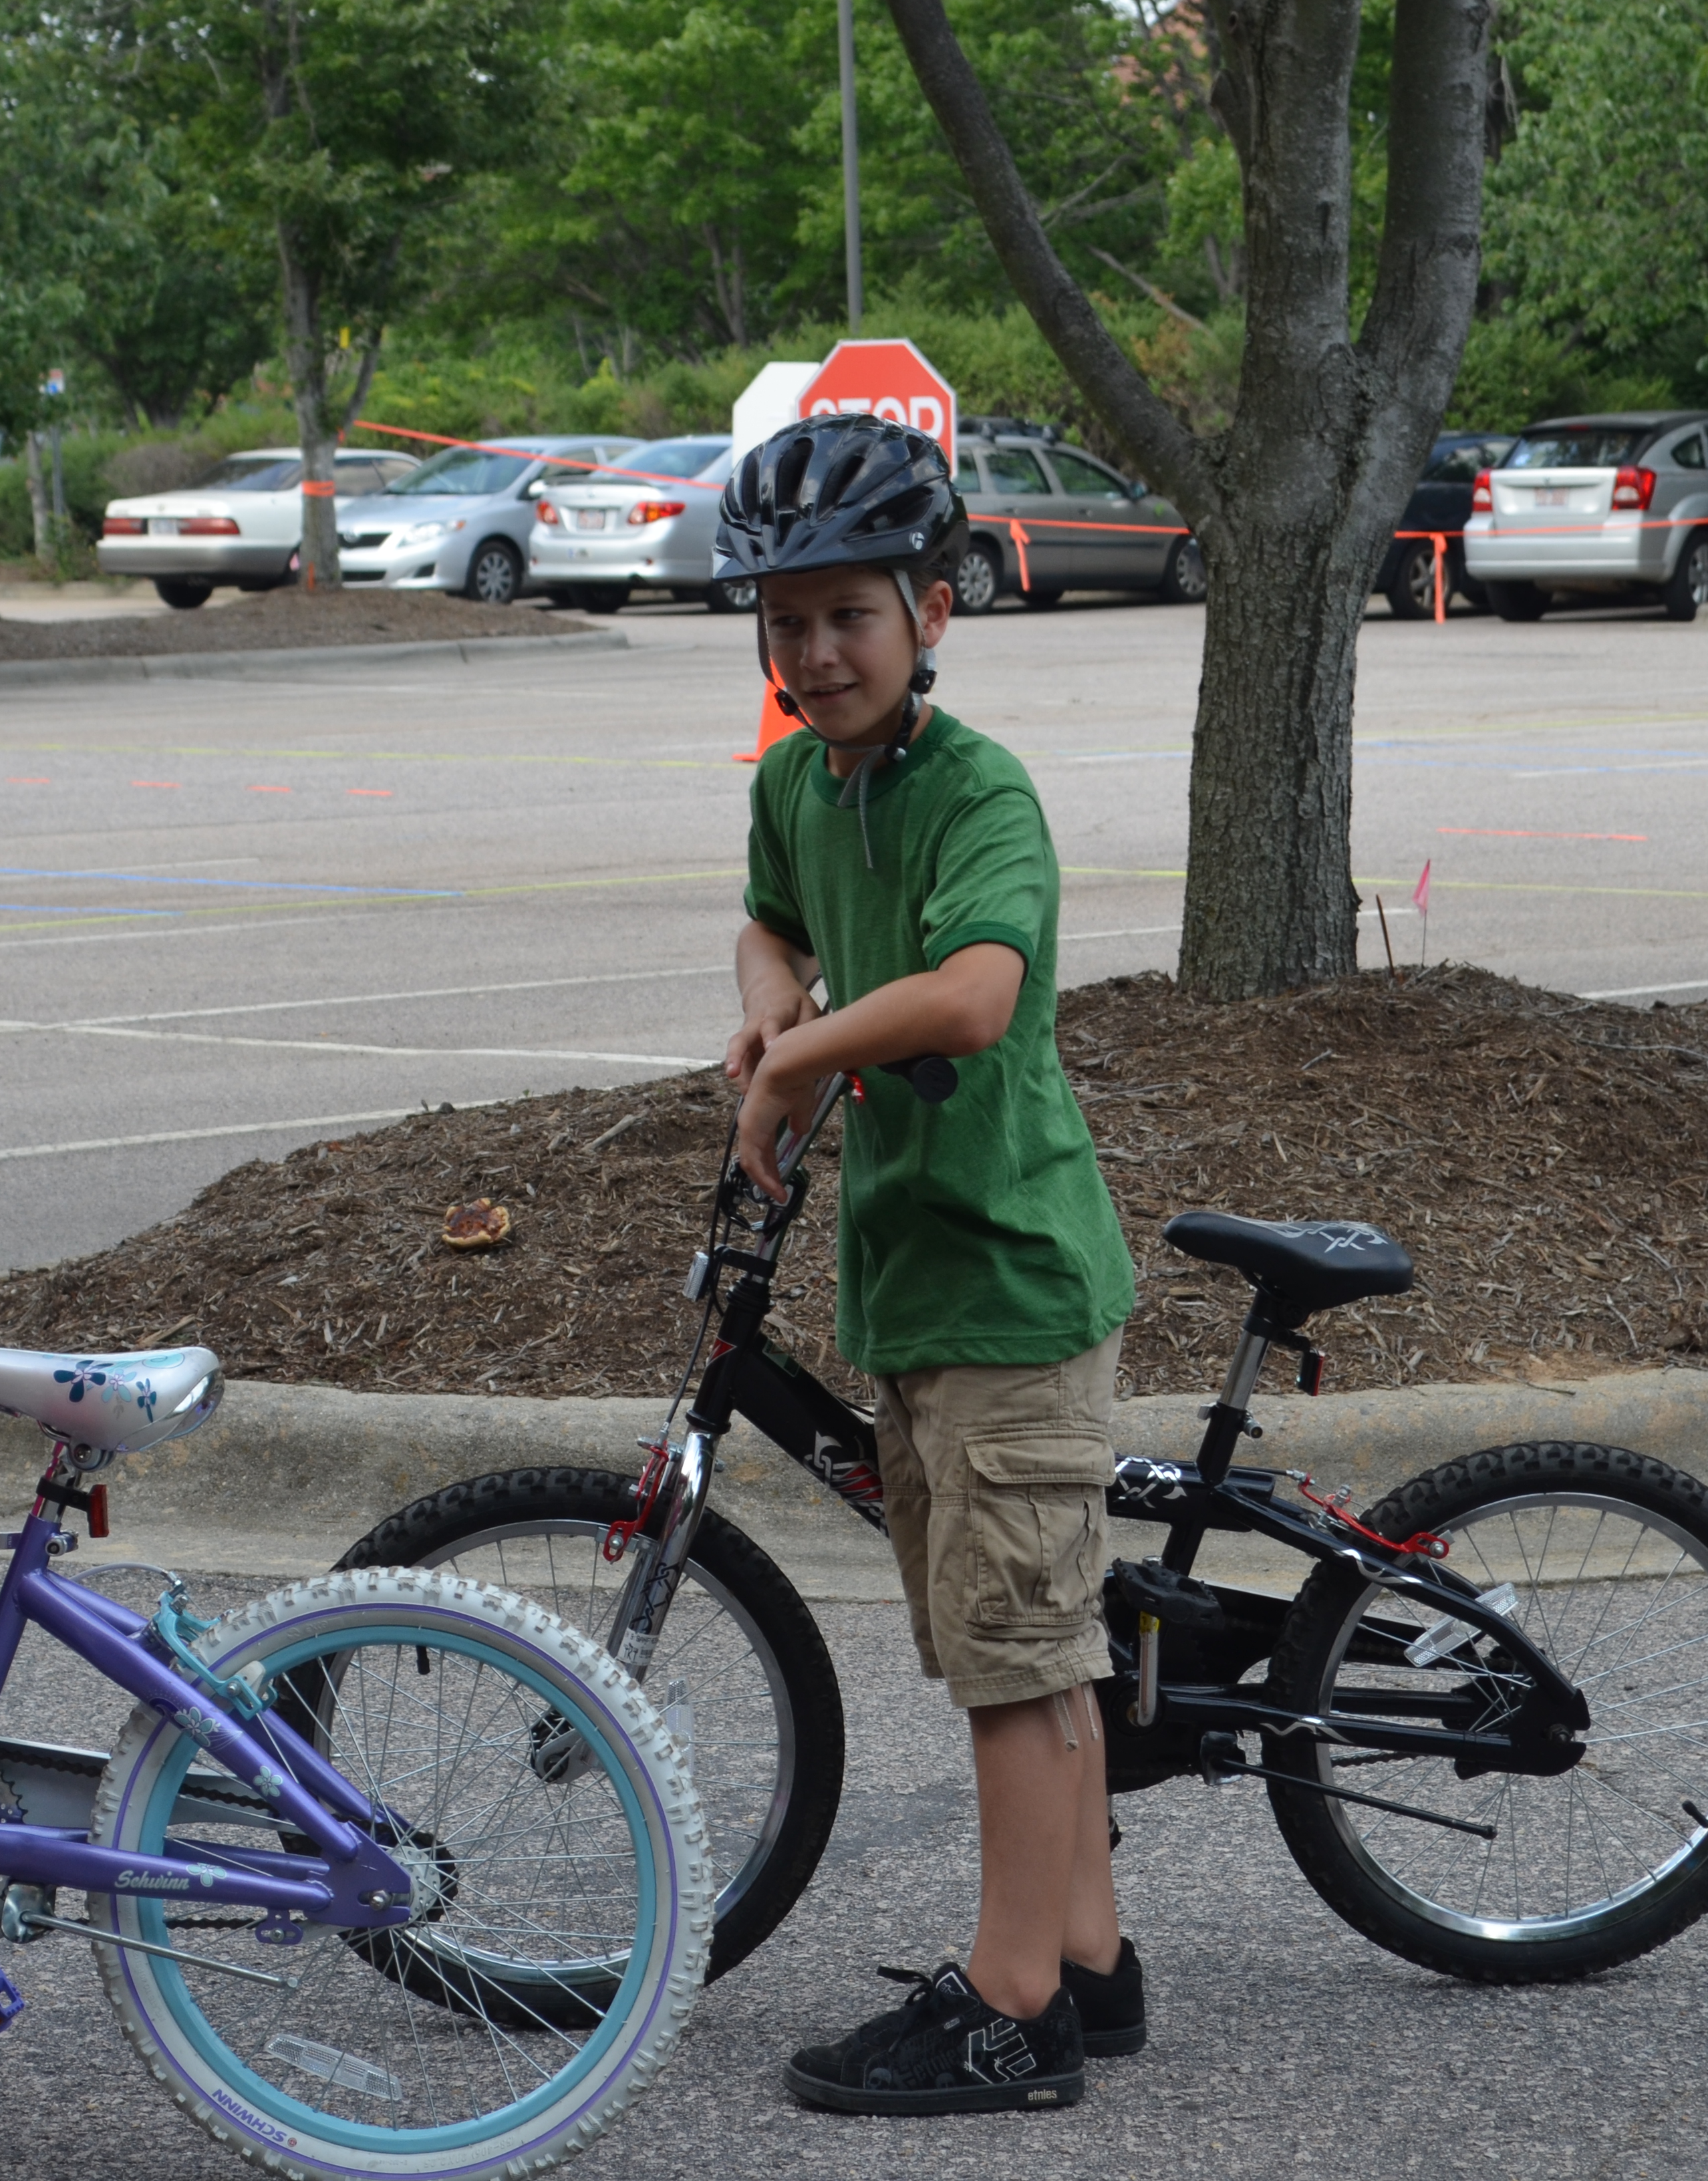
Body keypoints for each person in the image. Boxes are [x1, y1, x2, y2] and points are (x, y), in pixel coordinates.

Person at [715, 417, 1145, 2116]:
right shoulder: (798, 786)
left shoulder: (979, 792)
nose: (815, 651)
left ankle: (1011, 2007)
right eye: (787, 621)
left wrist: (799, 1061)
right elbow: (770, 920)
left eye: (849, 618)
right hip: (911, 1288)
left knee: (1017, 1664)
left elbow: (974, 991)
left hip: (1010, 1284)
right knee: (1023, 1644)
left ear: (931, 615)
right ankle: (1090, 1963)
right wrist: (769, 1011)